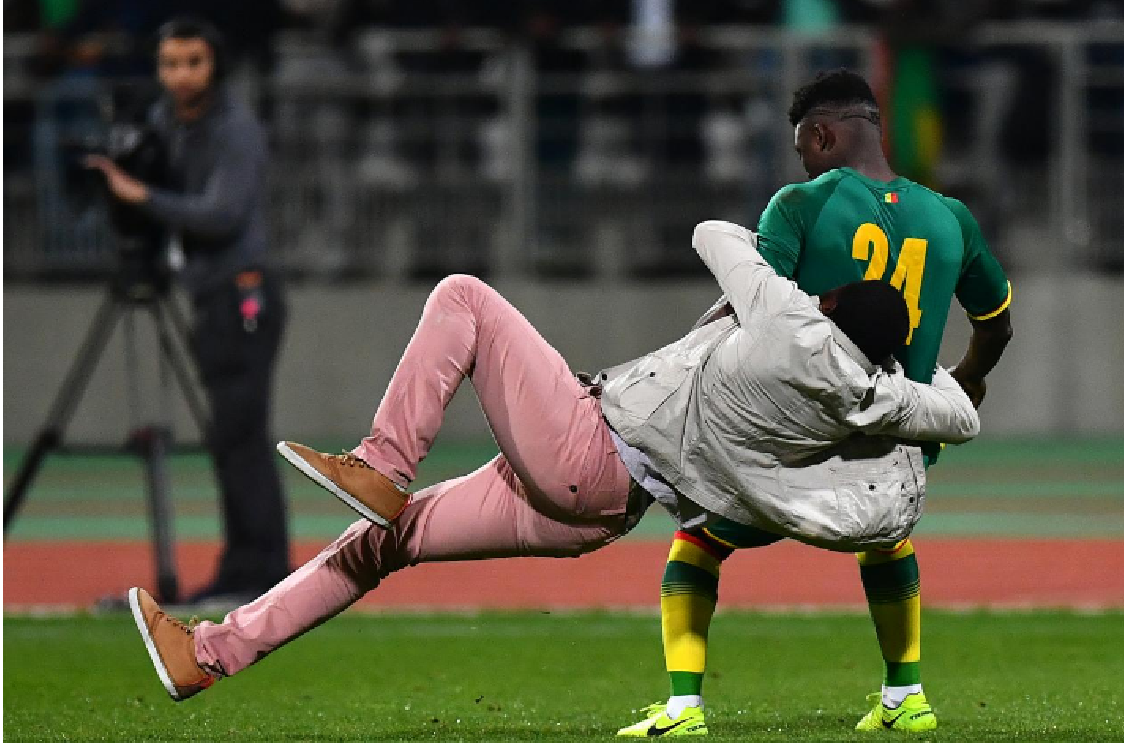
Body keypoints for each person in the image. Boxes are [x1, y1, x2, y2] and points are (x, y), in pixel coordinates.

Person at [128, 219, 979, 709]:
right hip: (604, 509)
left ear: (828, 309)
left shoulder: (788, 325)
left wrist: (789, 240)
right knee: (382, 544)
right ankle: (209, 655)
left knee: (463, 296)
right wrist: (918, 378)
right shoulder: (869, 396)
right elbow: (961, 415)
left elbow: (715, 235)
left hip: (590, 445)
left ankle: (383, 463)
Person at [627, 69, 1013, 737]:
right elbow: (997, 325)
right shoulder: (950, 219)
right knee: (888, 541)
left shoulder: (799, 206)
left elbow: (755, 313)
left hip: (793, 445)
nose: (802, 160)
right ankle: (906, 697)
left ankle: (684, 708)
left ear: (823, 134)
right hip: (891, 447)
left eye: (803, 146)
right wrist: (968, 379)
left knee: (697, 541)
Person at [85, 18, 290, 605]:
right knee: (230, 438)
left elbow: (222, 214)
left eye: (193, 62)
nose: (180, 76)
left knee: (241, 437)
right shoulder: (168, 125)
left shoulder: (235, 129)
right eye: (170, 64)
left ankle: (260, 572)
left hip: (243, 293)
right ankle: (246, 570)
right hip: (210, 295)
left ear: (215, 66)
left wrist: (143, 196)